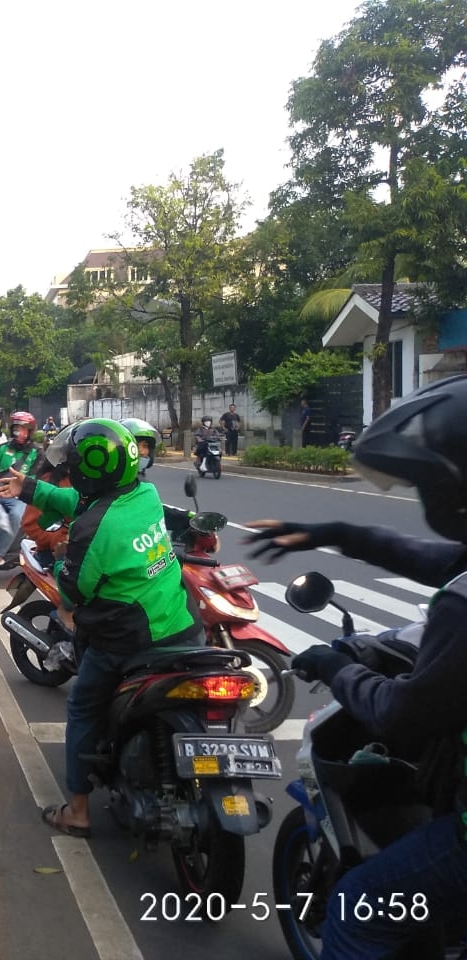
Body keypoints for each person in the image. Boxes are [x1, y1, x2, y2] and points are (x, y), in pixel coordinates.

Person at [246, 375, 467, 959]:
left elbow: (403, 715)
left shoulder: (463, 605)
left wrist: (335, 666)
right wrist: (339, 533)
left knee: (356, 912)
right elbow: (438, 558)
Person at [0, 419, 199, 837]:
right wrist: (29, 488)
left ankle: (77, 811)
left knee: (82, 709)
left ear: (85, 468)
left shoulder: (91, 530)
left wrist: (61, 573)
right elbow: (83, 502)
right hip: (182, 628)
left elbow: (76, 590)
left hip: (126, 642)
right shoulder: (145, 495)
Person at [0, 411, 40, 566]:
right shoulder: (2, 448)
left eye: (23, 429)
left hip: (19, 496)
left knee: (16, 515)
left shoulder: (37, 453)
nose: (19, 432)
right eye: (16, 428)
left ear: (30, 432)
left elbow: (37, 477)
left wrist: (23, 485)